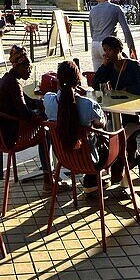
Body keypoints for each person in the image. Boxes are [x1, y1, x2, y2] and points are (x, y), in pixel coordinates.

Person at [0, 46, 52, 192]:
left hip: (0, 133)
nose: (30, 71)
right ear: (19, 66)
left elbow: (25, 101)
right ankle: (48, 180)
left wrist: (41, 103)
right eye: (28, 67)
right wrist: (41, 114)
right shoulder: (14, 84)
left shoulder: (7, 79)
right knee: (47, 131)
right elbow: (25, 114)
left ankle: (48, 173)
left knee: (42, 119)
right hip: (11, 136)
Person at [93, 36, 140, 182]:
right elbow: (95, 84)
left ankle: (124, 165)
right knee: (112, 136)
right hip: (119, 114)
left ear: (118, 50)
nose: (106, 54)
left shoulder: (133, 66)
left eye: (109, 50)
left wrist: (126, 89)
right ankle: (135, 158)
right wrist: (104, 65)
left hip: (139, 115)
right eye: (104, 50)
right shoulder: (110, 67)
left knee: (121, 138)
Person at [43, 60, 107, 190]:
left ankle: (91, 180)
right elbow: (101, 123)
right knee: (112, 136)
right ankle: (92, 179)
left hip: (63, 157)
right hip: (89, 159)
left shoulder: (49, 100)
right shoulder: (88, 105)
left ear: (58, 81)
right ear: (78, 81)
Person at [88, 0, 136, 70]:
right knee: (113, 74)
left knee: (98, 74)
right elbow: (125, 29)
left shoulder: (92, 10)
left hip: (95, 44)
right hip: (109, 45)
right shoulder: (116, 8)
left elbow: (92, 31)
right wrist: (131, 47)